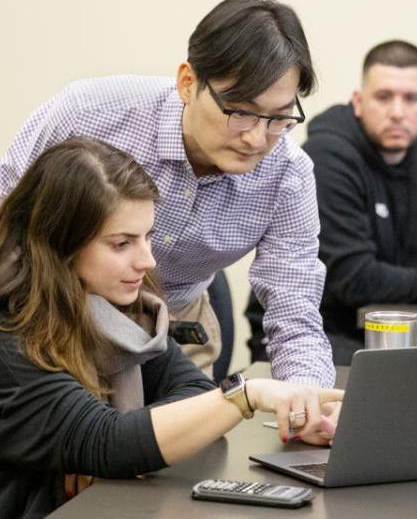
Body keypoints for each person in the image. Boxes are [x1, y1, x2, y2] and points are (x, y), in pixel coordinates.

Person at [0, 0, 334, 388]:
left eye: (279, 119)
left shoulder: (288, 176)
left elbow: (295, 314)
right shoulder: (88, 113)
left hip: (173, 322)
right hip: (54, 314)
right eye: (241, 112)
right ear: (188, 83)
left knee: (192, 438)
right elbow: (8, 218)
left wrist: (308, 397)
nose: (257, 139)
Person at [0, 137, 343, 519]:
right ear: (58, 241)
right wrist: (245, 397)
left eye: (147, 237)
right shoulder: (11, 333)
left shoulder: (120, 312)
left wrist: (126, 440)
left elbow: (191, 390)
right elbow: (108, 441)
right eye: (121, 244)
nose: (147, 260)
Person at [247, 40, 417, 364]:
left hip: (392, 326)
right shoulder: (327, 157)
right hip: (319, 332)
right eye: (384, 97)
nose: (397, 112)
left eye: (411, 99)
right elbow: (355, 279)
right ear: (358, 101)